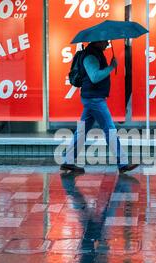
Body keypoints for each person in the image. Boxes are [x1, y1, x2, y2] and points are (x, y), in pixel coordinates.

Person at [60, 41, 139, 174]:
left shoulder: (95, 53)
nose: (107, 43)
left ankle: (68, 161)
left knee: (81, 132)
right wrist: (111, 67)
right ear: (98, 42)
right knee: (110, 129)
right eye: (105, 41)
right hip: (94, 99)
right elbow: (95, 77)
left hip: (92, 98)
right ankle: (123, 163)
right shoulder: (90, 56)